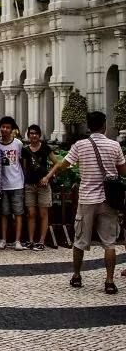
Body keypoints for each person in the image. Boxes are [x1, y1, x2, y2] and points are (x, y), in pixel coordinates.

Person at [42, 111, 126, 293]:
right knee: (109, 243)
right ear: (104, 125)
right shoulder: (114, 145)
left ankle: (77, 276)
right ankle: (109, 281)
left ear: (88, 126)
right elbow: (123, 170)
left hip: (87, 198)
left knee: (80, 240)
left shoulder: (80, 145)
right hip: (108, 200)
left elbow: (64, 166)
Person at [22, 124, 59, 250]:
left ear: (39, 135)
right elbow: (24, 167)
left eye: (36, 133)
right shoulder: (25, 150)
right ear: (28, 135)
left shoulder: (45, 148)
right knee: (31, 213)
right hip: (30, 185)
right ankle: (31, 240)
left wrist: (47, 177)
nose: (34, 136)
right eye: (31, 133)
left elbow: (57, 163)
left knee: (43, 213)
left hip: (43, 184)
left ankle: (41, 241)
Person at [0, 116, 26, 250]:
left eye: (8, 127)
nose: (5, 129)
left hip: (17, 183)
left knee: (18, 212)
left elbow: (21, 162)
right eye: (3, 127)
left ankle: (18, 240)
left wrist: (24, 179)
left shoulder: (18, 144)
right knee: (4, 213)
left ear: (12, 129)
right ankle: (3, 239)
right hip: (3, 184)